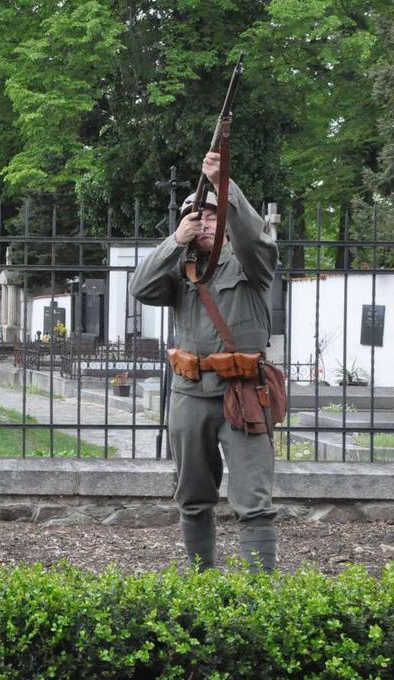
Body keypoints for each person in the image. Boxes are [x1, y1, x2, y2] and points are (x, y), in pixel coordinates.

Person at [130, 151, 279, 572]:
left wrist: (225, 187)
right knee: (192, 496)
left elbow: (257, 239)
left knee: (254, 501)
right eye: (198, 216)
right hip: (189, 394)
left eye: (213, 215)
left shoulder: (250, 265)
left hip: (243, 394)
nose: (205, 222)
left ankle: (260, 598)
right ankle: (202, 583)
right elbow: (141, 288)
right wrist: (176, 241)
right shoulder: (180, 269)